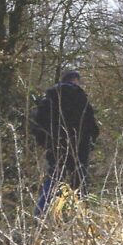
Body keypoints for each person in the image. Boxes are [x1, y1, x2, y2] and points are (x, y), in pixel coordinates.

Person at [33, 70, 99, 214]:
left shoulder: (49, 98)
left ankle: (41, 212)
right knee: (79, 180)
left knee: (55, 177)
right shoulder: (80, 97)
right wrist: (91, 141)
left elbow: (38, 124)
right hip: (79, 146)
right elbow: (90, 123)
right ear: (75, 80)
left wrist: (45, 143)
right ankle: (80, 214)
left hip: (55, 145)